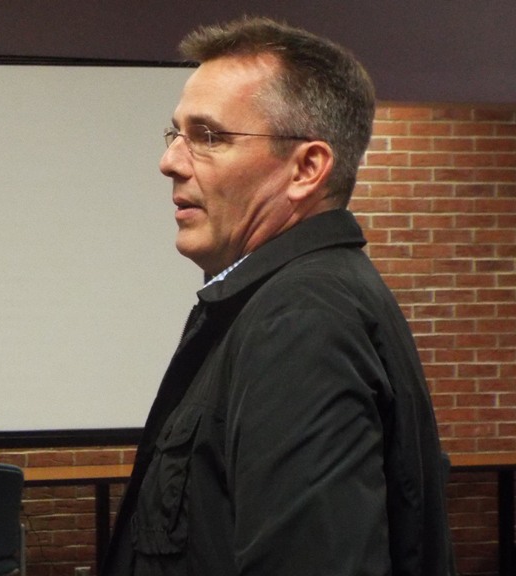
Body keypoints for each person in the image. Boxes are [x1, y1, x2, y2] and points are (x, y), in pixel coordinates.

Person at [102, 16, 456, 576]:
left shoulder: (302, 318)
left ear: (306, 169)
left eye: (209, 137)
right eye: (177, 134)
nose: (170, 161)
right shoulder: (286, 299)